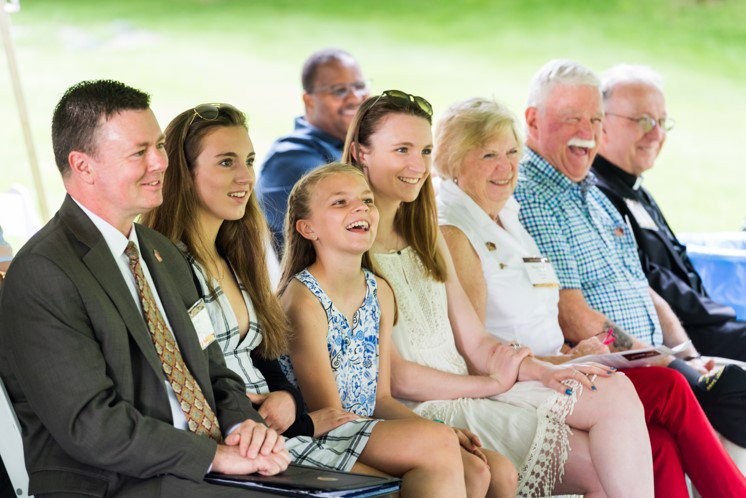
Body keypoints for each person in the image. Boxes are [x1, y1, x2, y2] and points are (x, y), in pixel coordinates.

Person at [342, 90, 655, 497]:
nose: (417, 166)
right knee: (596, 469)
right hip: (423, 405)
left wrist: (546, 370)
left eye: (423, 150)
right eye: (402, 150)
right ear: (361, 153)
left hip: (472, 388)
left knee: (613, 389)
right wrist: (493, 383)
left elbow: (476, 340)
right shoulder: (353, 244)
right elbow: (395, 378)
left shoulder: (428, 238)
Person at [435, 96, 746, 498]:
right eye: (488, 155)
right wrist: (560, 360)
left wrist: (576, 349)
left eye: (512, 153)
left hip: (561, 363)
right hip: (521, 381)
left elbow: (535, 313)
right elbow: (475, 354)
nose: (506, 167)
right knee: (670, 388)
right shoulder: (456, 232)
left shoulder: (505, 214)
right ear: (454, 161)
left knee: (660, 441)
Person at [0, 80, 290, 497]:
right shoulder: (44, 272)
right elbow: (91, 425)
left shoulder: (162, 253)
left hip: (196, 469)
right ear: (83, 166)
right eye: (139, 153)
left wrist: (243, 426)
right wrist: (213, 457)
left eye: (159, 146)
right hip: (117, 483)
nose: (160, 163)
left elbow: (214, 372)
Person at [144, 102, 416, 478]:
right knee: (401, 477)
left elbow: (264, 358)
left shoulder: (236, 259)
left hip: (275, 427)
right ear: (185, 174)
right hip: (237, 436)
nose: (245, 177)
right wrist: (296, 422)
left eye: (249, 161)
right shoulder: (171, 265)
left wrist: (287, 400)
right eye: (227, 162)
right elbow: (195, 378)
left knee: (429, 465)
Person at [512, 59, 746, 447]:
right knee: (733, 392)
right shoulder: (534, 197)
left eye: (595, 119)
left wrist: (686, 354)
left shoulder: (595, 193)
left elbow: (643, 288)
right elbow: (573, 316)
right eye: (573, 118)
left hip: (662, 357)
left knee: (732, 381)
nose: (588, 133)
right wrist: (665, 360)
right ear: (533, 121)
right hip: (622, 370)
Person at [278, 162, 514, 498]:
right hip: (322, 433)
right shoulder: (303, 300)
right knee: (450, 460)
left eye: (366, 200)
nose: (361, 207)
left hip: (366, 429)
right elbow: (327, 415)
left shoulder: (379, 292)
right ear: (307, 228)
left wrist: (438, 430)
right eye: (340, 202)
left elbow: (381, 398)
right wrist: (430, 442)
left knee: (489, 468)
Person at [591, 63, 746, 361]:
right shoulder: (599, 195)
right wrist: (717, 314)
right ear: (602, 124)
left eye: (662, 122)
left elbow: (679, 263)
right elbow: (644, 279)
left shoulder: (635, 189)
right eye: (644, 121)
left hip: (702, 325)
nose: (657, 134)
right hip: (673, 339)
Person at [257, 48, 369, 253]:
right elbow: (344, 235)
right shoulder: (291, 159)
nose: (355, 97)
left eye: (360, 86)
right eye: (339, 90)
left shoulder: (354, 146)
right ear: (309, 101)